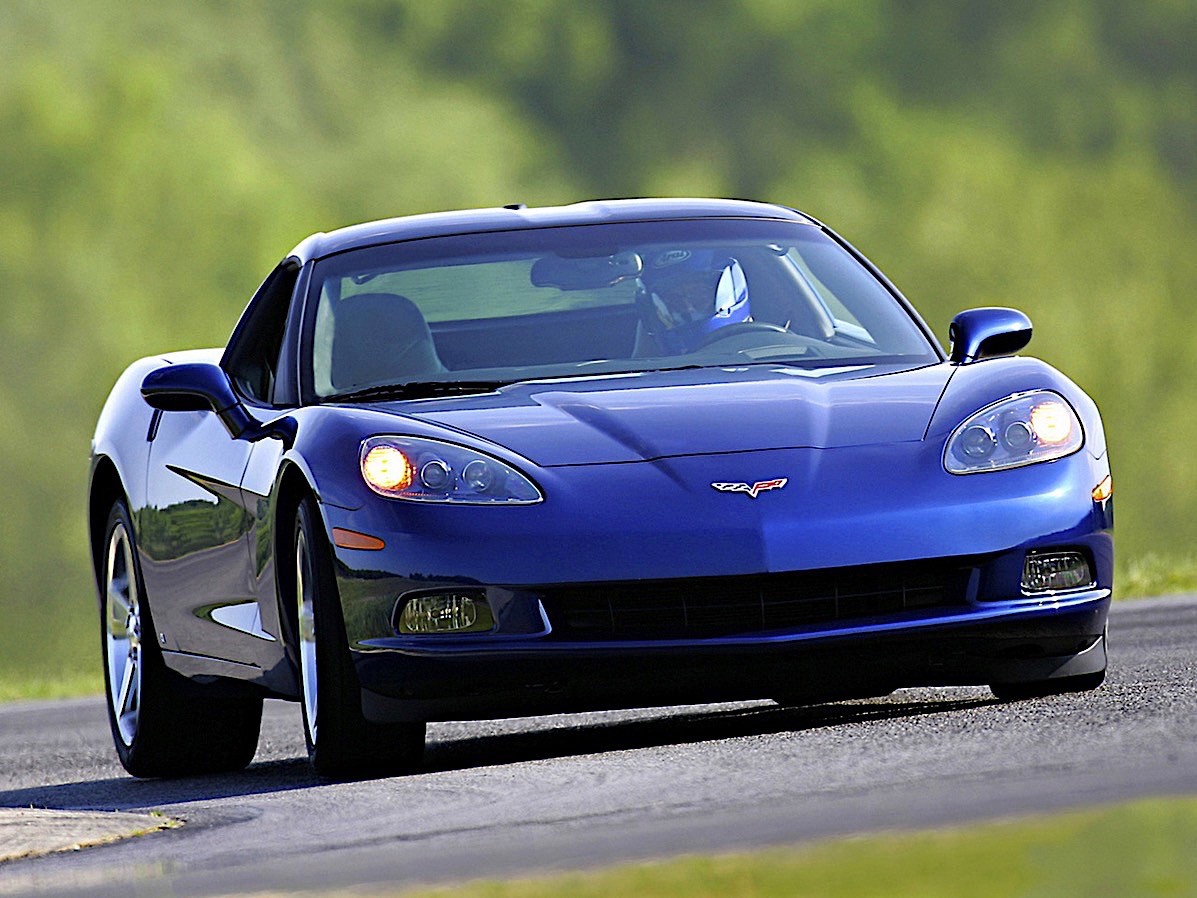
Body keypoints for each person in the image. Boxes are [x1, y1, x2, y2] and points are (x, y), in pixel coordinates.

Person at [635, 249, 751, 353]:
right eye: (674, 299)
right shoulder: (651, 368)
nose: (688, 307)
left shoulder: (765, 351)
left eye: (698, 294)